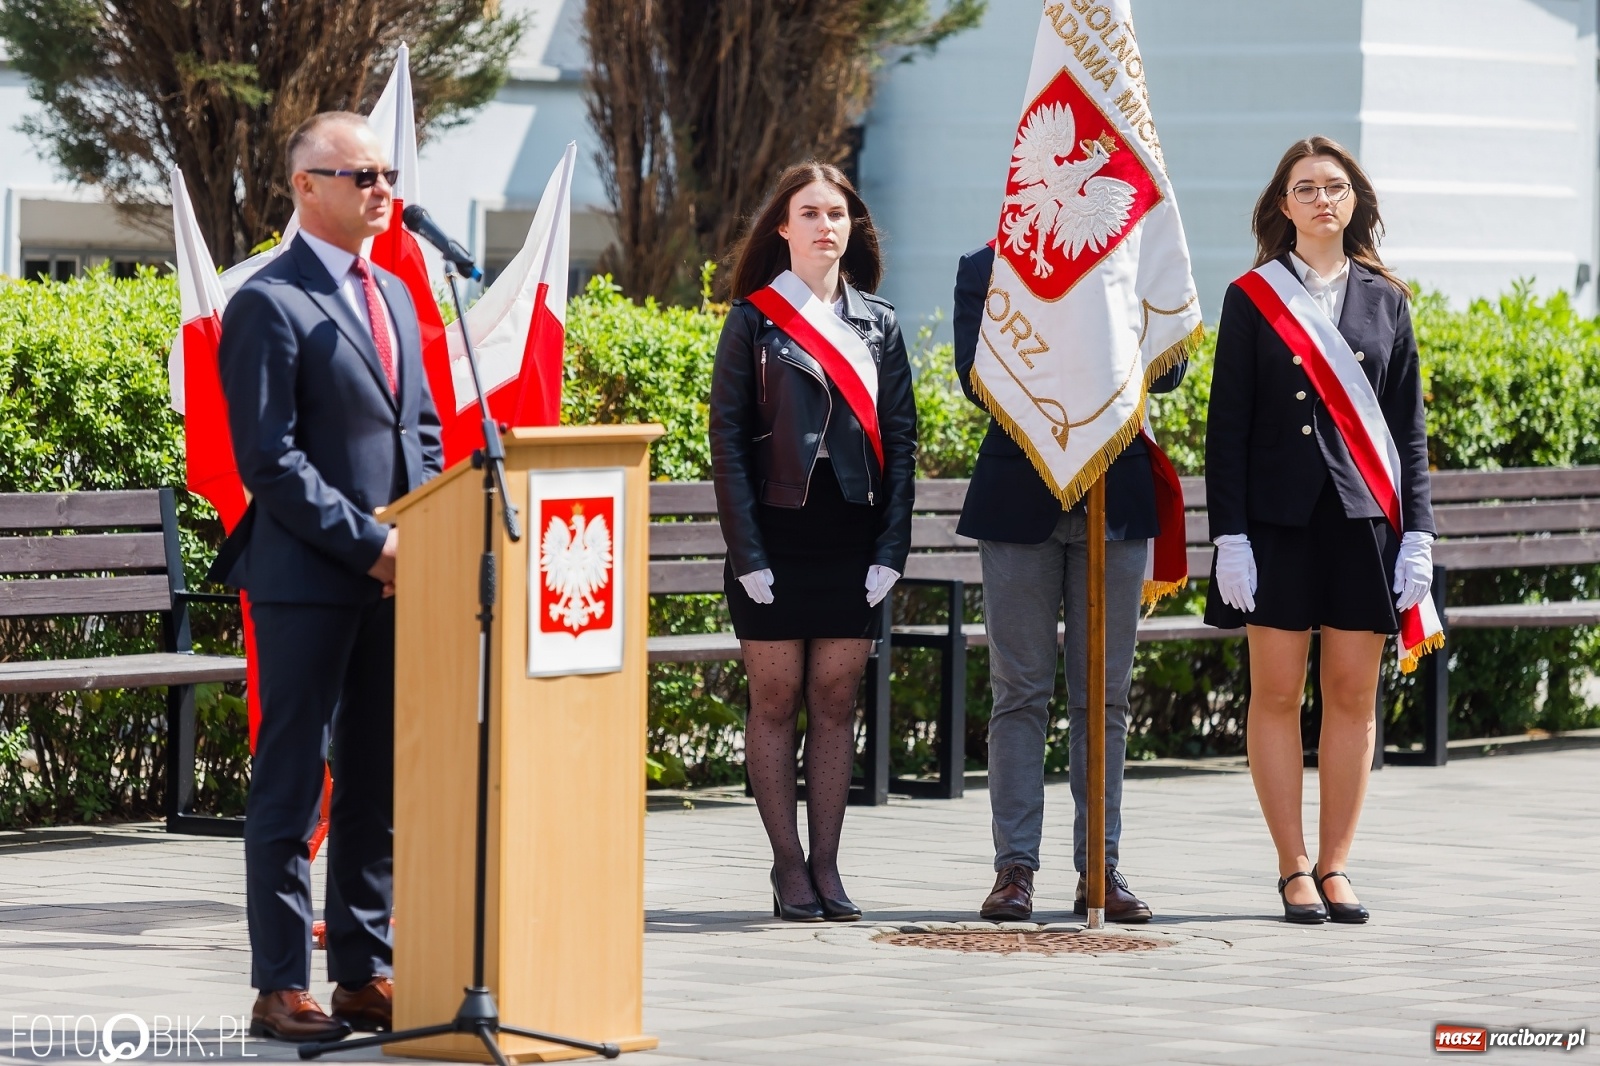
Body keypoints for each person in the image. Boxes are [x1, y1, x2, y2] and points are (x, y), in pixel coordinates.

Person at [213, 111, 444, 1038]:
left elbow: (421, 434)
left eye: (386, 175)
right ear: (306, 187)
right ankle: (279, 986)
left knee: (376, 779)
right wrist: (374, 546)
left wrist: (423, 537)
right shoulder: (268, 302)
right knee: (291, 781)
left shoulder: (393, 295)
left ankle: (361, 972)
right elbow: (269, 462)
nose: (381, 190)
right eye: (360, 176)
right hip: (309, 578)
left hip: (396, 578)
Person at [1204, 136, 1435, 924]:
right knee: (1274, 693)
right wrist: (1228, 535)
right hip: (1275, 526)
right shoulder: (1251, 296)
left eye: (1335, 187)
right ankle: (1292, 866)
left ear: (1355, 202)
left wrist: (1421, 537)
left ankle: (1337, 866)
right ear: (1281, 205)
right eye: (1305, 188)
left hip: (1364, 525)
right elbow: (1225, 428)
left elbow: (1408, 434)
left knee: (1351, 696)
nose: (1321, 200)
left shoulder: (1387, 300)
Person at [953, 242, 1187, 924]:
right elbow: (979, 379)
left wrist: (1111, 308)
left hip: (1114, 496)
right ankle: (1014, 871)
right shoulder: (986, 267)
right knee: (1018, 692)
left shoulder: (1135, 262)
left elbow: (1169, 371)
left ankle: (1100, 869)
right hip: (1018, 495)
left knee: (1103, 698)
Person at [709, 161, 917, 922]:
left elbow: (902, 438)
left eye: (838, 214)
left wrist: (890, 548)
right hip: (774, 530)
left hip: (850, 531)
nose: (827, 225)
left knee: (835, 700)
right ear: (783, 228)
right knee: (776, 699)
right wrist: (748, 553)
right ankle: (787, 867)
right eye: (811, 212)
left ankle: (828, 866)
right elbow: (726, 444)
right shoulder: (753, 320)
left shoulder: (880, 322)